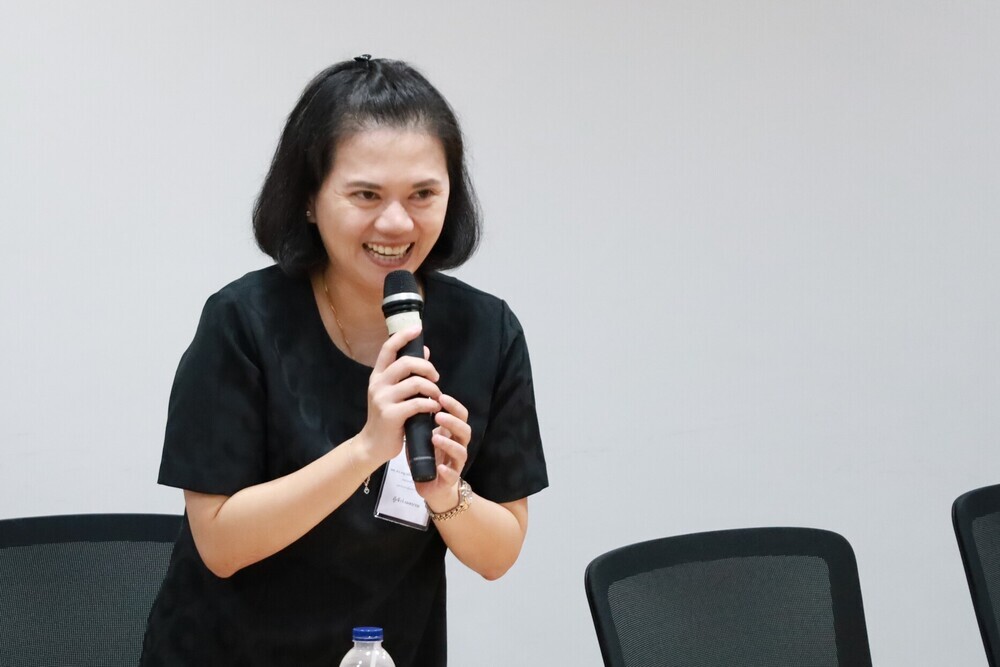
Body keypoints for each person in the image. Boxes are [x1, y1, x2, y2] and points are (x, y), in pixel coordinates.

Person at [139, 56, 548, 666]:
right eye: (365, 195)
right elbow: (219, 543)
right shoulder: (243, 322)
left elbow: (499, 553)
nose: (397, 222)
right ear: (309, 199)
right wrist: (367, 449)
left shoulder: (487, 333)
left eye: (423, 194)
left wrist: (445, 492)